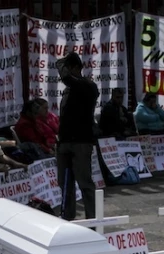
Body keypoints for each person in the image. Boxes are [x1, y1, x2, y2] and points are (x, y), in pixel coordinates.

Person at [55, 52, 99, 220]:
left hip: (81, 141)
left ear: (75, 68)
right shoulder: (69, 89)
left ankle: (93, 219)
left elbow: (67, 77)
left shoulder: (88, 86)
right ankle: (68, 216)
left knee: (84, 182)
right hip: (65, 141)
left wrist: (61, 64)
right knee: (64, 183)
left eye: (68, 67)